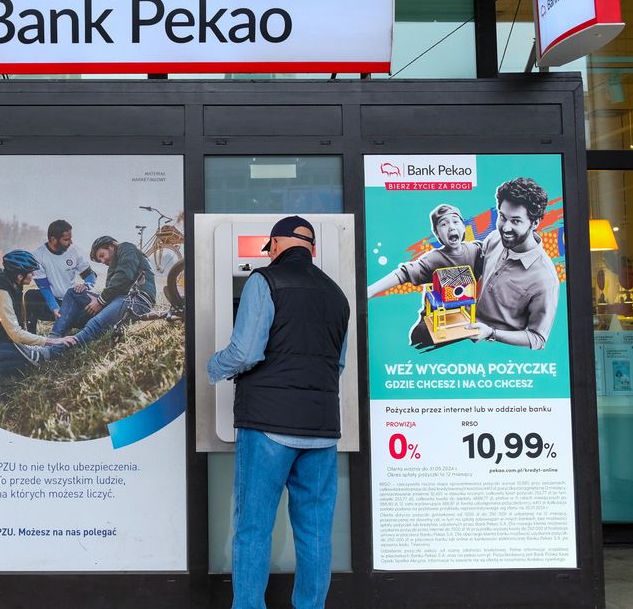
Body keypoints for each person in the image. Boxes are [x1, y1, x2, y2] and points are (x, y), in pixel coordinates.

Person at [206, 216, 350, 609]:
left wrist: (212, 367)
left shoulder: (264, 281)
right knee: (315, 531)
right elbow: (336, 365)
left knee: (253, 528)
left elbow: (245, 352)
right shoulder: (337, 294)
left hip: (268, 426)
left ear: (273, 245)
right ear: (312, 249)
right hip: (321, 429)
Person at [367, 203, 484, 349]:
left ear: (464, 226)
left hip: (464, 319)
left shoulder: (476, 249)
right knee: (419, 336)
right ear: (437, 233)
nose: (451, 227)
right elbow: (404, 273)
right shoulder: (433, 259)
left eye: (455, 221)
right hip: (436, 320)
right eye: (444, 224)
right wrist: (370, 291)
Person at [469, 177, 560, 349]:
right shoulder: (494, 238)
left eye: (516, 221)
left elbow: (537, 339)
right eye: (502, 217)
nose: (505, 228)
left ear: (535, 223)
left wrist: (491, 333)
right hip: (465, 335)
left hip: (503, 355)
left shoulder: (545, 278)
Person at [0, 250, 77, 376]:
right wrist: (53, 341)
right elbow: (15, 333)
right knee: (27, 359)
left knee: (27, 354)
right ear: (20, 276)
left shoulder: (12, 285)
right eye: (30, 272)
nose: (33, 274)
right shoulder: (0, 292)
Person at [24, 219, 97, 335]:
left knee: (95, 308)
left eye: (70, 238)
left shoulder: (74, 250)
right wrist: (54, 308)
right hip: (54, 302)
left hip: (73, 301)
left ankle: (78, 325)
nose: (71, 242)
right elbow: (44, 287)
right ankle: (30, 337)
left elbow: (90, 275)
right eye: (66, 240)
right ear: (53, 239)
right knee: (30, 296)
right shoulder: (38, 255)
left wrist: (86, 285)